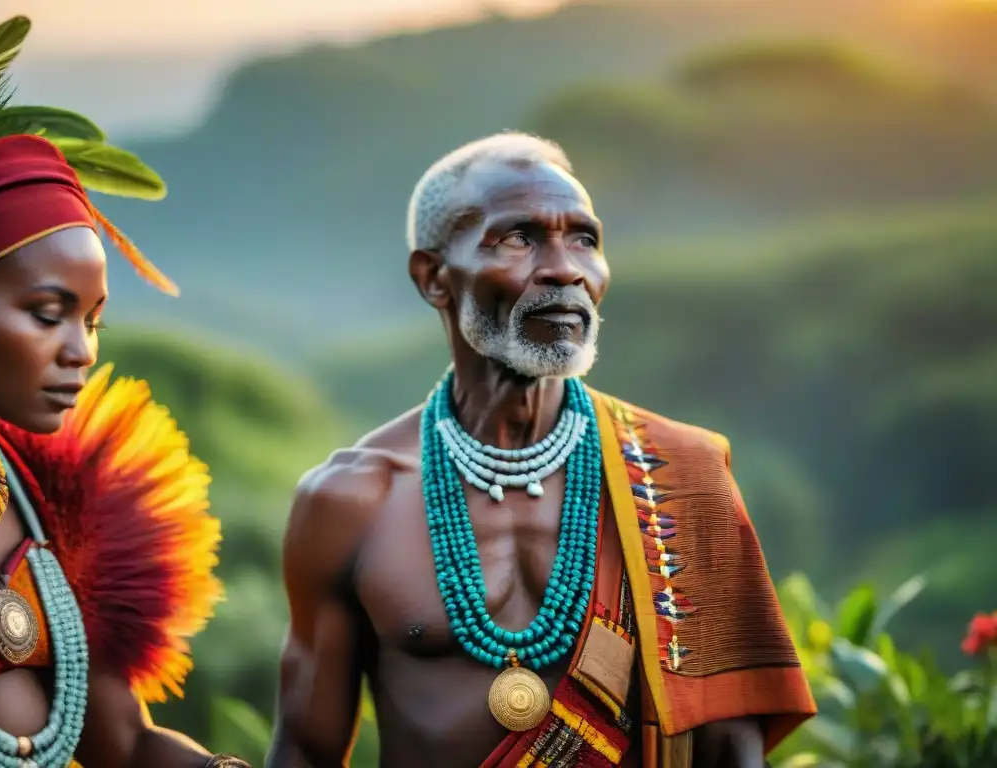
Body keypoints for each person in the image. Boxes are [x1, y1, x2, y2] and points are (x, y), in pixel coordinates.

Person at [269, 132, 817, 768]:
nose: (565, 268)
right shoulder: (350, 501)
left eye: (584, 238)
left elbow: (731, 749)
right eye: (519, 238)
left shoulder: (683, 478)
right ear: (434, 279)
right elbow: (305, 752)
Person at [0, 15, 250, 768]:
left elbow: (122, 744)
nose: (81, 352)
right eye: (46, 314)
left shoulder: (49, 500)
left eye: (92, 320)